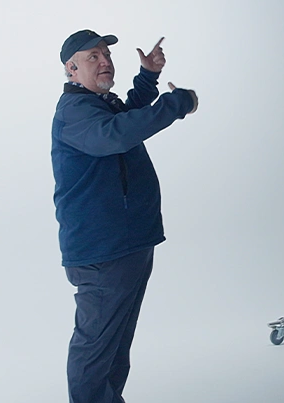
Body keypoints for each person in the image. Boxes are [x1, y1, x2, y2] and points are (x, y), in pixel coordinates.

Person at [51, 29, 198, 403]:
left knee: (115, 348)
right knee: (95, 350)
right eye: (93, 57)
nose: (105, 61)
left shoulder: (99, 103)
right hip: (103, 252)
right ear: (71, 68)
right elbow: (116, 135)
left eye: (106, 54)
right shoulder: (75, 112)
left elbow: (127, 115)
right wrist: (175, 104)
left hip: (130, 245)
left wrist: (147, 76)